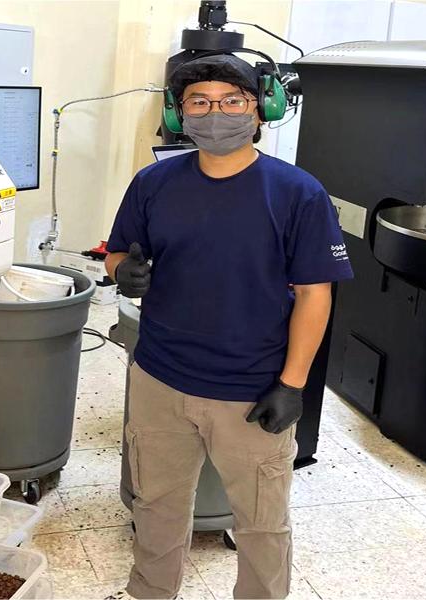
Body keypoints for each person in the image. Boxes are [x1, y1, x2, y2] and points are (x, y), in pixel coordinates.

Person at [104, 54, 354, 600]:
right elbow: (117, 250)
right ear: (179, 114)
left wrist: (292, 384)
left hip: (251, 387)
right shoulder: (153, 183)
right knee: (156, 508)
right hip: (159, 380)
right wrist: (124, 271)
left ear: (261, 110)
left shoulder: (297, 193)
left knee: (262, 524)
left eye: (232, 101)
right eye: (200, 102)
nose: (216, 114)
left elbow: (316, 293)